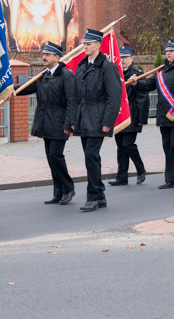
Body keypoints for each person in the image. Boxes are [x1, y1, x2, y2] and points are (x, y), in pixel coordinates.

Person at [13, 41, 78, 204]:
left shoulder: (67, 75)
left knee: (56, 156)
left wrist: (69, 123)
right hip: (44, 121)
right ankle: (58, 192)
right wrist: (10, 89)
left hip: (59, 122)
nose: (44, 57)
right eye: (43, 54)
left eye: (47, 54)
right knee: (50, 158)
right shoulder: (43, 74)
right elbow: (26, 88)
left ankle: (68, 188)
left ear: (57, 57)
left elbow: (72, 101)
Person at [131, 40, 174, 189]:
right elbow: (149, 85)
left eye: (172, 50)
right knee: (167, 147)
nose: (168, 53)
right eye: (167, 50)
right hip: (164, 115)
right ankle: (170, 180)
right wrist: (136, 84)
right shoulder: (161, 70)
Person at [73, 28, 122, 211]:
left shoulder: (107, 66)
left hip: (98, 118)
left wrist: (108, 122)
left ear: (98, 45)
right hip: (84, 118)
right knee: (91, 157)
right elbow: (76, 96)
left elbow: (114, 96)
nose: (85, 46)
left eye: (89, 44)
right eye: (84, 44)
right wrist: (72, 119)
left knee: (91, 156)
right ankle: (99, 195)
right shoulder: (82, 65)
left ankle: (93, 196)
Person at [111, 46, 149, 187]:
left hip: (132, 115)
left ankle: (141, 170)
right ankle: (122, 177)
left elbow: (143, 98)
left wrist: (141, 119)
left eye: (126, 57)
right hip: (119, 115)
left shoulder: (136, 74)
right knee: (121, 146)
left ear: (132, 59)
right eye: (120, 58)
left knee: (128, 144)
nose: (123, 60)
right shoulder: (116, 73)